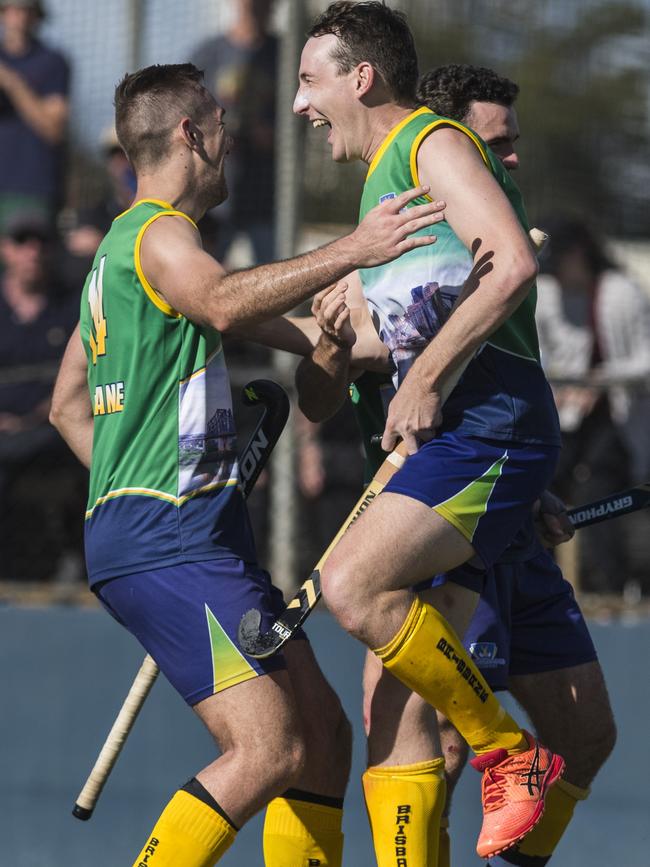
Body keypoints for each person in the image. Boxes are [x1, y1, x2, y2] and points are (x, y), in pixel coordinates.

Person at [49, 62, 445, 867]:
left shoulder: (121, 259)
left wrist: (353, 343)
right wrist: (355, 249)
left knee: (323, 737)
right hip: (173, 544)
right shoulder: (163, 235)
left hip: (184, 538)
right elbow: (227, 302)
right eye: (221, 123)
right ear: (191, 135)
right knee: (268, 748)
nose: (232, 140)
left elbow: (67, 404)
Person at [290, 62, 616, 867]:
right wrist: (318, 335)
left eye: (510, 151)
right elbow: (327, 388)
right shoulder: (388, 239)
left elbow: (507, 377)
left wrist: (525, 488)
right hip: (426, 503)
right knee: (412, 729)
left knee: (586, 732)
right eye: (487, 147)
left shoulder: (498, 241)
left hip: (498, 497)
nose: (503, 167)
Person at [536, 217, 650, 594]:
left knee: (600, 494)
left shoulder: (622, 292)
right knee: (541, 484)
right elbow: (543, 355)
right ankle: (538, 577)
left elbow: (643, 360)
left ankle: (609, 585)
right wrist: (561, 388)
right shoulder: (548, 294)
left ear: (579, 254)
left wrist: (598, 381)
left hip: (615, 422)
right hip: (566, 419)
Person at [0, 213, 81, 581]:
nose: (32, 252)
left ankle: (77, 559)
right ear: (6, 249)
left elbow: (78, 381)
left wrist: (30, 419)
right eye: (22, 241)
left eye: (40, 242)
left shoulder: (70, 308)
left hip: (49, 430)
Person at [192, 0, 278, 265]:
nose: (254, 7)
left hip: (267, 195)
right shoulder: (209, 54)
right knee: (206, 275)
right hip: (217, 198)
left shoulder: (283, 54)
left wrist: (273, 135)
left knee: (270, 282)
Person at [0, 0, 70, 231]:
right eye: (11, 9)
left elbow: (53, 129)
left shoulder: (52, 62)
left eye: (26, 9)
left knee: (30, 262)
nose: (18, 17)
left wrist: (11, 83)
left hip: (31, 189)